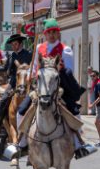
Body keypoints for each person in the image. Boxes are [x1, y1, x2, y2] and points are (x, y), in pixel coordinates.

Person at [10, 18, 91, 160]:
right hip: (40, 88)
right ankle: (21, 142)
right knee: (21, 111)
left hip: (58, 87)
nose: (52, 35)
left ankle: (79, 144)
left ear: (58, 33)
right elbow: (35, 67)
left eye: (54, 32)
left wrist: (59, 69)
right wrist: (31, 75)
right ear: (45, 34)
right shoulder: (39, 48)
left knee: (74, 111)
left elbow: (69, 70)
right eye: (49, 32)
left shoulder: (66, 50)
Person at [0, 33, 33, 135]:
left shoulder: (29, 54)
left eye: (15, 44)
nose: (13, 46)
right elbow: (5, 68)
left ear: (20, 44)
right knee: (3, 100)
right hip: (14, 83)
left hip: (27, 82)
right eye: (12, 45)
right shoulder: (12, 55)